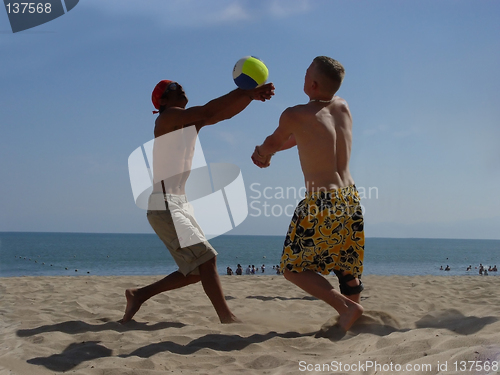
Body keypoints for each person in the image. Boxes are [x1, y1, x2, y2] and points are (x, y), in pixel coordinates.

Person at [121, 79, 274, 324]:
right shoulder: (166, 119)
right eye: (172, 89)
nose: (180, 88)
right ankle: (227, 317)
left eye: (181, 86)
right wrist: (245, 91)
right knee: (208, 259)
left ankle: (139, 295)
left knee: (195, 271)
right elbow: (208, 110)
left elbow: (221, 114)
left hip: (179, 203)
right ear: (162, 102)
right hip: (165, 203)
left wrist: (249, 97)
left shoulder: (189, 123)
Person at [251, 56, 364, 333]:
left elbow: (275, 141)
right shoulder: (342, 107)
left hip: (321, 200)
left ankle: (346, 308)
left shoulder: (294, 114)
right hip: (350, 198)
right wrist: (274, 150)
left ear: (312, 84)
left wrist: (263, 154)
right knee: (346, 266)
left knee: (292, 268)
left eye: (304, 75)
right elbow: (301, 137)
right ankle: (351, 323)